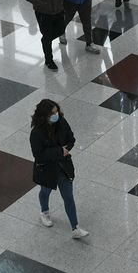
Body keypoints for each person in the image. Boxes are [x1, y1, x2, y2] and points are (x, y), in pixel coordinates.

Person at [30, 99, 87, 238]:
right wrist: (59, 151)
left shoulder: (61, 122)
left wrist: (66, 149)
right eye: (52, 113)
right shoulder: (36, 133)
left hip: (63, 166)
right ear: (44, 115)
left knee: (68, 196)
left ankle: (75, 228)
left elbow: (71, 139)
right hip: (47, 168)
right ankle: (44, 211)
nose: (56, 115)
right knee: (45, 190)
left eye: (56, 112)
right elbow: (38, 154)